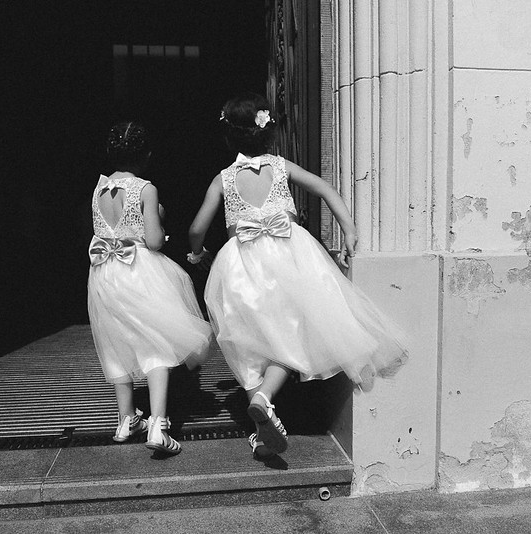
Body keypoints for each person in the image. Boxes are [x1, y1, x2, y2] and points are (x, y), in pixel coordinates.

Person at [188, 93, 409, 457]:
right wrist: (348, 228)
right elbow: (324, 188)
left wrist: (197, 251)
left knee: (245, 339)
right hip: (290, 258)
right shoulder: (280, 166)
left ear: (228, 137)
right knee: (289, 333)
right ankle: (265, 398)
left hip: (240, 265)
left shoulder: (224, 179)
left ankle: (260, 417)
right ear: (268, 130)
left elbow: (198, 226)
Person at [88, 121, 213, 455]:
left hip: (104, 273)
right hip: (138, 270)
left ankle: (126, 417)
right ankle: (158, 423)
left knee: (115, 341)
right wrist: (157, 214)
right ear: (145, 156)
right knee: (154, 340)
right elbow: (155, 242)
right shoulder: (145, 189)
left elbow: (104, 233)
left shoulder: (98, 190)